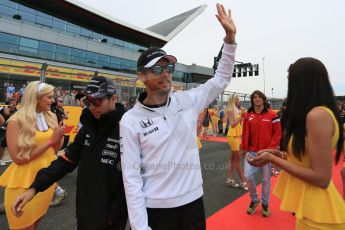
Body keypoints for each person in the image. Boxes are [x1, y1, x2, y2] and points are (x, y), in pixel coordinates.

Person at [120, 3, 237, 229]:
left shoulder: (187, 101)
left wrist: (230, 40)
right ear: (141, 76)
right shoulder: (130, 120)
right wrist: (140, 227)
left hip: (193, 204)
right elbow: (131, 178)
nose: (164, 74)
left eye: (168, 69)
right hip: (157, 210)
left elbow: (221, 78)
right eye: (156, 69)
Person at [12, 76, 128, 230]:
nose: (92, 106)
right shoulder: (89, 126)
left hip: (112, 217)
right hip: (85, 210)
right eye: (88, 101)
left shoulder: (128, 127)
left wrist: (116, 212)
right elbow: (66, 161)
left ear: (113, 99)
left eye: (97, 101)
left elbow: (135, 179)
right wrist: (34, 188)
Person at [249, 58, 345, 229]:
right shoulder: (319, 113)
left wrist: (273, 160)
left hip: (318, 217)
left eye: (290, 80)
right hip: (311, 211)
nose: (289, 86)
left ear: (302, 82)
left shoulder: (317, 116)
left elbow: (321, 178)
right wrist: (276, 153)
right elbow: (305, 158)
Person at [0, 81, 65, 229]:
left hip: (46, 182)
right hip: (23, 184)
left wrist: (59, 136)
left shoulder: (50, 117)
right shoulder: (15, 122)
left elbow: (54, 149)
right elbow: (17, 159)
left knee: (34, 225)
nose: (53, 100)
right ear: (35, 98)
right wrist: (50, 142)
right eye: (49, 97)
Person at [241, 90, 281, 217]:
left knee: (266, 180)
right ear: (252, 100)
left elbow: (277, 133)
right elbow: (245, 132)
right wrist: (244, 148)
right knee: (247, 176)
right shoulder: (248, 115)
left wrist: (269, 150)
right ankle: (254, 200)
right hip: (252, 152)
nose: (257, 99)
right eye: (254, 97)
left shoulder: (273, 115)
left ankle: (265, 204)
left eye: (259, 97)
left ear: (264, 99)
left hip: (266, 153)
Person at [225, 94, 247, 191]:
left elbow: (240, 122)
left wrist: (242, 114)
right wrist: (241, 116)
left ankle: (230, 179)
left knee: (233, 159)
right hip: (233, 136)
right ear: (233, 100)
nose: (239, 100)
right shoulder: (230, 110)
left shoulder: (237, 109)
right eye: (238, 99)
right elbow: (232, 124)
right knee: (237, 161)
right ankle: (243, 182)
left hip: (237, 136)